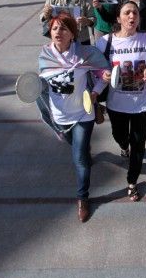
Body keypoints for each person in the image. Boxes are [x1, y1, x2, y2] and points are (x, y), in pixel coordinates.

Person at [38, 13, 110, 222]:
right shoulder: (44, 55)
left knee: (79, 158)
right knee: (76, 147)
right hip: (59, 116)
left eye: (63, 29)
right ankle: (84, 150)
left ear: (72, 33)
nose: (58, 33)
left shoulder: (85, 54)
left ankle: (82, 198)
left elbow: (105, 73)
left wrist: (96, 91)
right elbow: (40, 85)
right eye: (54, 29)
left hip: (82, 114)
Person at [97, 1, 146, 201]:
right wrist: (103, 73)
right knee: (120, 135)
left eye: (135, 13)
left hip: (143, 103)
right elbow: (95, 67)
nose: (132, 17)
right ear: (118, 18)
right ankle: (124, 145)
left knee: (138, 143)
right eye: (127, 13)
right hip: (116, 103)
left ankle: (132, 181)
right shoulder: (105, 42)